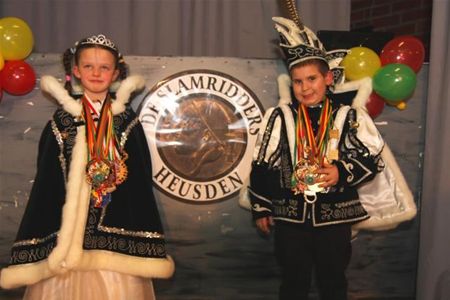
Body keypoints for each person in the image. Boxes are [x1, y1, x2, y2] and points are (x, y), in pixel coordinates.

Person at [247, 15, 416, 300]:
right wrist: (261, 207)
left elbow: (372, 157)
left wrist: (342, 171)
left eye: (312, 78)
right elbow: (262, 162)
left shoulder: (348, 116)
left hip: (335, 220)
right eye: (298, 81)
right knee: (292, 283)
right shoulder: (278, 117)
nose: (305, 87)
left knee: (334, 283)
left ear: (327, 78)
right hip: (290, 218)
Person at [0, 34, 174, 299]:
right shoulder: (61, 123)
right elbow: (47, 183)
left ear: (115, 72)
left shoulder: (126, 123)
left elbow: (139, 184)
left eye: (104, 67)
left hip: (114, 247)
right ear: (77, 71)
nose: (96, 73)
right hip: (66, 245)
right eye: (89, 66)